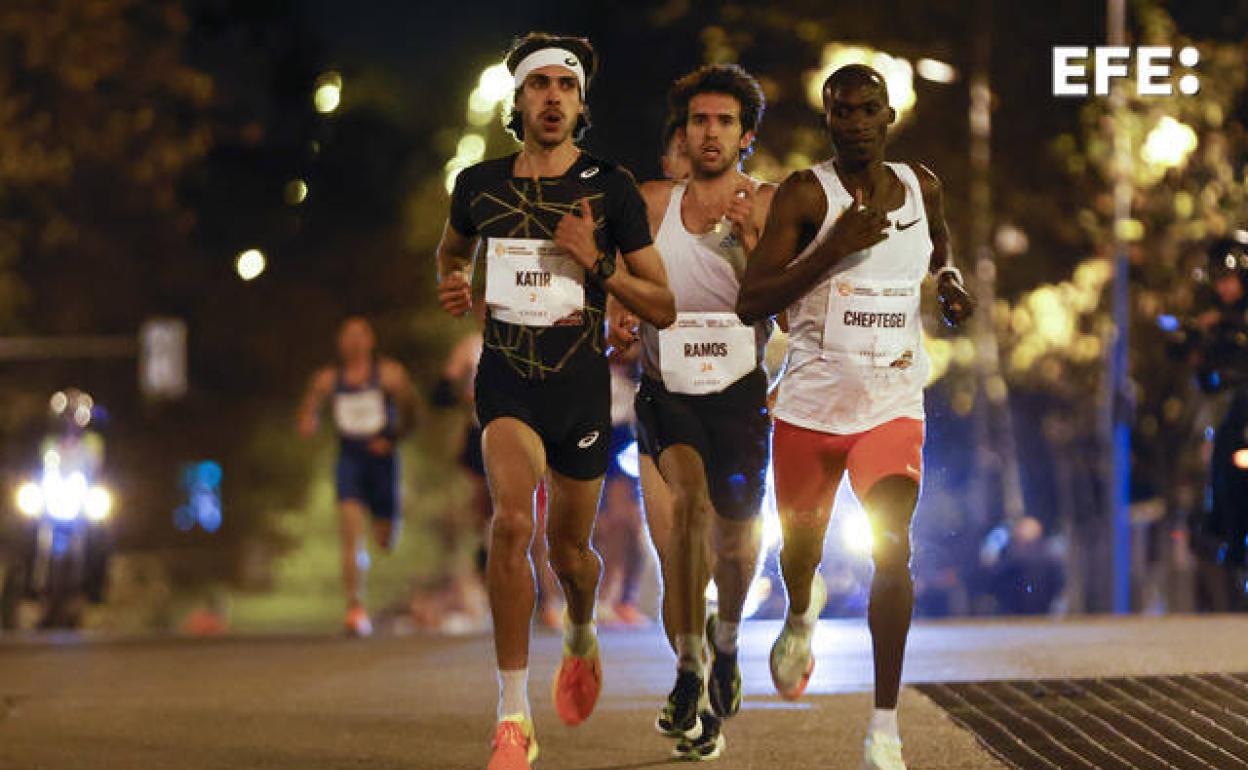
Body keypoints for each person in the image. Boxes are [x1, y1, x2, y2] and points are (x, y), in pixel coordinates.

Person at [433, 32, 674, 770]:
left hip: (580, 388)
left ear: (580, 102)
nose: (552, 98)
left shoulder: (612, 187)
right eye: (539, 85)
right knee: (511, 524)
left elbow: (661, 302)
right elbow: (449, 252)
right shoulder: (478, 185)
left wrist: (596, 263)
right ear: (520, 99)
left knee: (573, 553)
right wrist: (453, 283)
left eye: (564, 87)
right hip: (506, 380)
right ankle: (513, 714)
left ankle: (579, 626)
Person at [735, 64, 975, 770]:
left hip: (891, 403)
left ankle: (884, 726)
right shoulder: (808, 195)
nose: (857, 123)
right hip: (810, 406)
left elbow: (939, 247)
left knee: (892, 548)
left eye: (869, 110)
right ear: (828, 121)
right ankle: (801, 610)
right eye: (843, 112)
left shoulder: (922, 184)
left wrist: (951, 284)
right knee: (800, 554)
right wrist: (835, 248)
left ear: (889, 115)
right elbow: (752, 301)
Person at [625, 63, 777, 761]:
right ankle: (689, 676)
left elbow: (778, 304)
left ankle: (726, 642)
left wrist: (748, 245)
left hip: (739, 400)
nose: (709, 132)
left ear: (745, 135)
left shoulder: (766, 204)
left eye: (723, 121)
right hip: (667, 394)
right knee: (681, 520)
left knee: (736, 549)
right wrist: (618, 315)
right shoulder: (652, 202)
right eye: (698, 121)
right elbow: (609, 272)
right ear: (683, 133)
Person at [297, 316, 418, 637]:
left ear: (370, 340)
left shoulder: (390, 374)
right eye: (346, 336)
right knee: (350, 533)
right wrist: (309, 419)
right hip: (350, 457)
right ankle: (355, 607)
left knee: (385, 538)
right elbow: (309, 408)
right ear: (340, 343)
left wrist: (390, 438)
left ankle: (391, 519)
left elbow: (412, 414)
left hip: (383, 458)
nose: (352, 342)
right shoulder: (327, 379)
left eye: (358, 335)